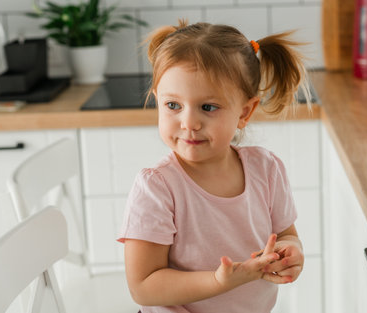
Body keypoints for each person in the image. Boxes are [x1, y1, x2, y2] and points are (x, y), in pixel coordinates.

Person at [117, 19, 310, 313]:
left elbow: (286, 234)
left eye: (208, 107)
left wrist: (291, 252)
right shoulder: (157, 187)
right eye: (173, 105)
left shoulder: (266, 169)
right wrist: (219, 281)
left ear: (244, 112)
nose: (189, 123)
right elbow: (143, 287)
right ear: (158, 101)